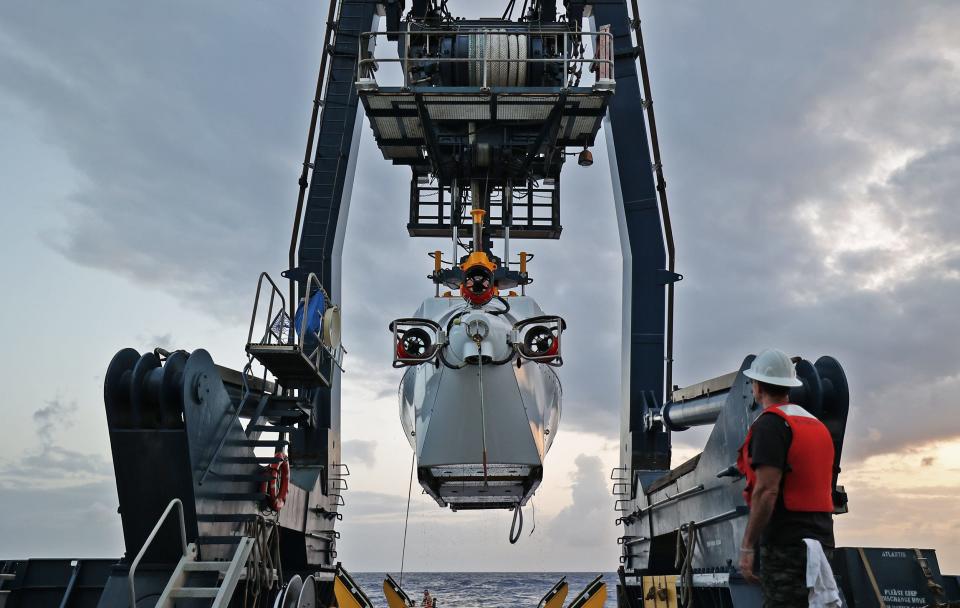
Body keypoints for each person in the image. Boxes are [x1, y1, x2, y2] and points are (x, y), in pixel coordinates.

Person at [736, 348, 838, 607]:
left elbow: (766, 490)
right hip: (822, 543)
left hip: (787, 546)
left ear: (757, 387)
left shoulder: (770, 425)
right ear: (789, 386)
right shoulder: (817, 426)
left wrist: (748, 545)